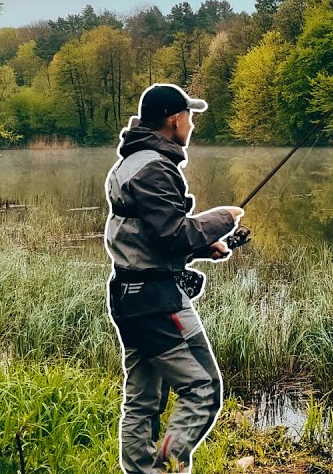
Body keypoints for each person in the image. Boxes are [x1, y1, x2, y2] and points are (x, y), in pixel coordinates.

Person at [103, 83, 244, 474]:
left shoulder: (131, 163)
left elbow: (147, 234)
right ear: (174, 120)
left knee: (142, 400)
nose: (192, 125)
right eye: (189, 117)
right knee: (203, 390)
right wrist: (224, 217)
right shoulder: (154, 167)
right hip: (155, 301)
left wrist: (202, 248)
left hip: (130, 295)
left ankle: (141, 471)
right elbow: (173, 234)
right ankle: (168, 465)